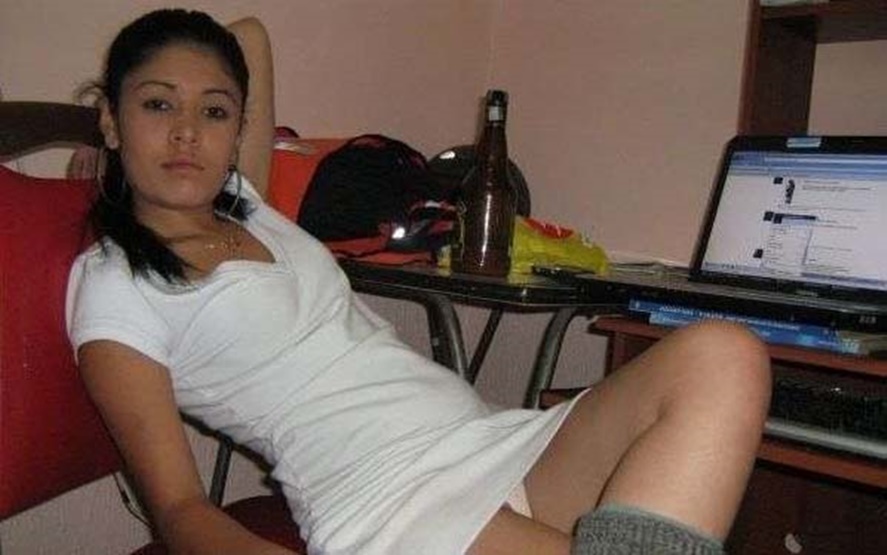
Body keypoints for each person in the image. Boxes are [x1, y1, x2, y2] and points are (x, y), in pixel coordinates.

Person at [65, 9, 771, 555]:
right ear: (111, 118)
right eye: (157, 105)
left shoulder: (247, 203)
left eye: (214, 111)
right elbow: (180, 509)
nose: (187, 133)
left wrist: (118, 144)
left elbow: (249, 35)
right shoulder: (115, 288)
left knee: (723, 353)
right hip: (391, 502)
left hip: (491, 443)